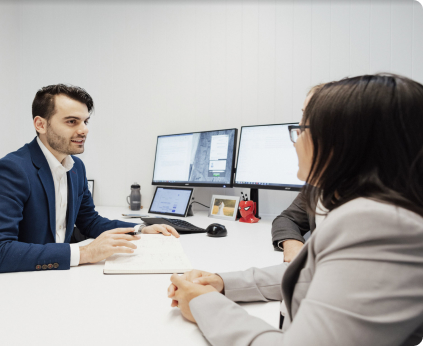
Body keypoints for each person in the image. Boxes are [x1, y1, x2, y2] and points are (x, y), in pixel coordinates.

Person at [167, 74, 423, 345]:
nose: (295, 139)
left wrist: (202, 304)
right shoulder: (367, 209)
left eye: (304, 127)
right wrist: (221, 282)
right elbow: (315, 274)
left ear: (345, 141)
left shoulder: (378, 224)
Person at [0, 84, 178, 281]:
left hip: (51, 277)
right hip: (5, 284)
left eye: (85, 121)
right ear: (40, 124)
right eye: (72, 121)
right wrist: (85, 252)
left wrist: (140, 229)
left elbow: (90, 221)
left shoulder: (75, 167)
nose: (84, 130)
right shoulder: (12, 169)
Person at [271, 83, 327, 263]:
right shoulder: (316, 187)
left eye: (306, 117)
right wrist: (293, 243)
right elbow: (287, 218)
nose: (300, 127)